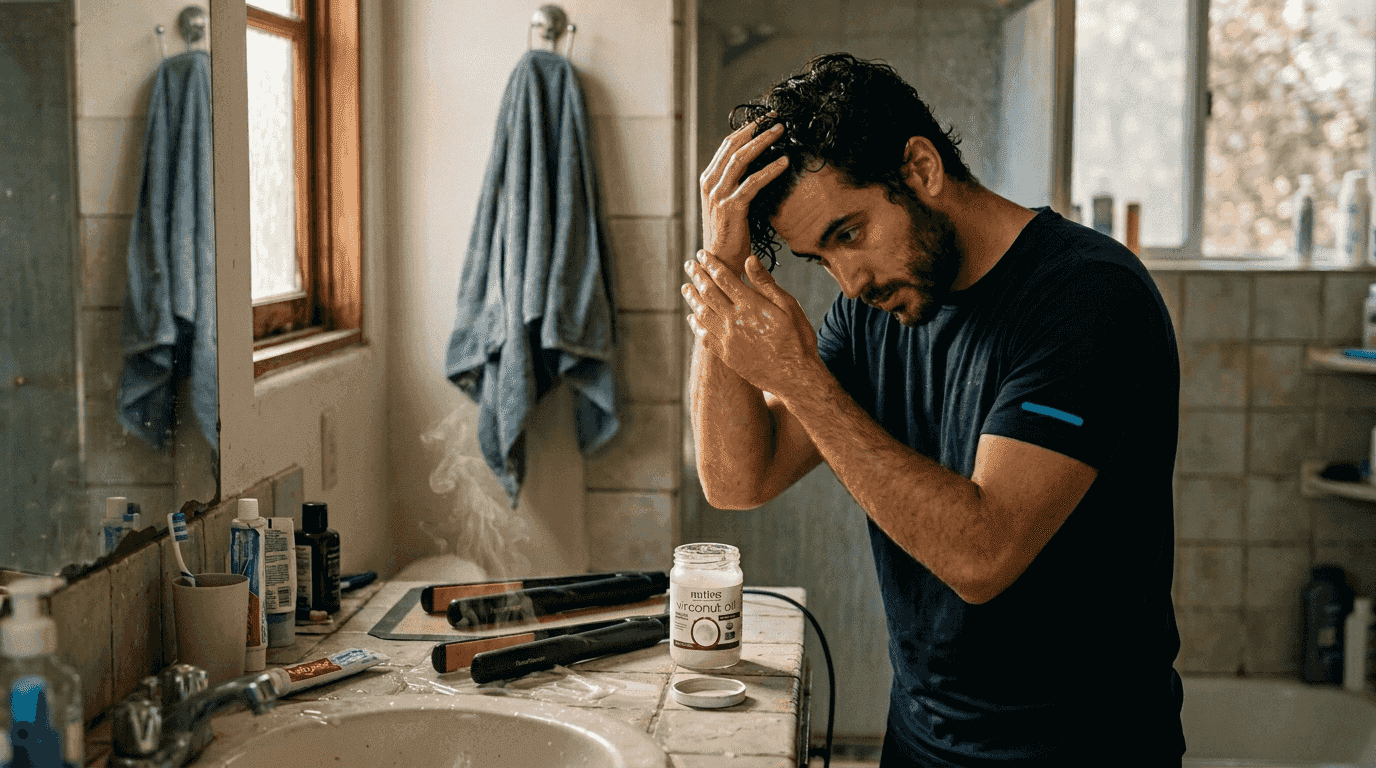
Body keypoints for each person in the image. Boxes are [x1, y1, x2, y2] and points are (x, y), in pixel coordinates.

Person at [683, 53, 1184, 766]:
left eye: (848, 234)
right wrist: (721, 274)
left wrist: (799, 378)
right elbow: (736, 481)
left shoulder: (1089, 299)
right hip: (922, 740)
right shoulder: (874, 311)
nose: (848, 280)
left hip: (1085, 750)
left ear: (920, 169)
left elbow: (982, 555)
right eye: (820, 260)